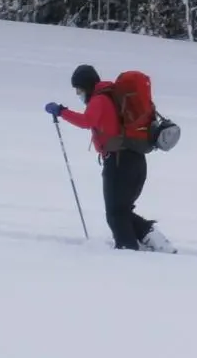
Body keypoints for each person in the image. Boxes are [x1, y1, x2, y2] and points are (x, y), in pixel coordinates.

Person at [46, 64, 173, 252]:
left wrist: (61, 111)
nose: (78, 94)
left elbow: (86, 121)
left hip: (120, 162)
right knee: (120, 210)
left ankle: (127, 250)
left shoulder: (100, 100)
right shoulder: (111, 96)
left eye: (79, 89)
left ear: (87, 86)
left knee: (115, 214)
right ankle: (154, 238)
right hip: (133, 160)